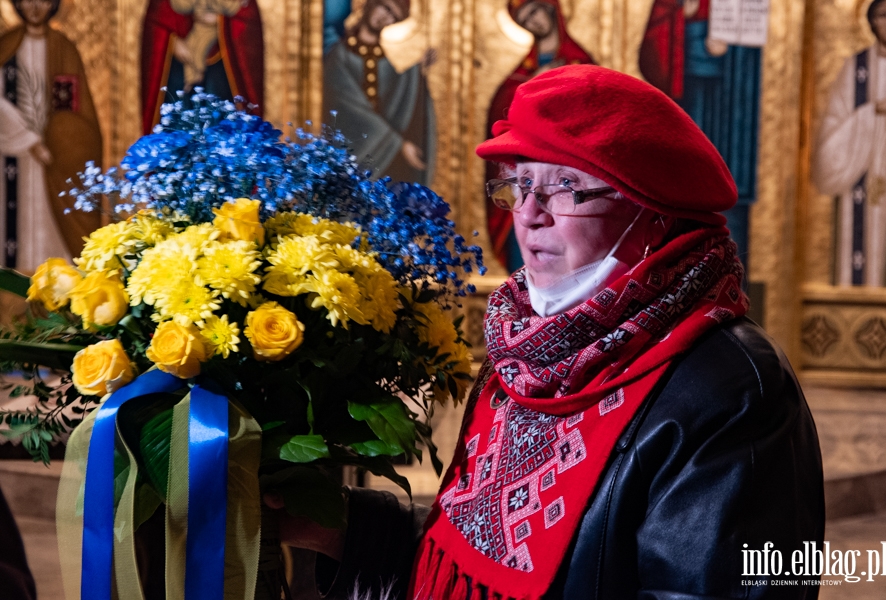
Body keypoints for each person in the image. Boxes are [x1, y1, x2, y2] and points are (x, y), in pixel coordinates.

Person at [281, 65, 825, 598]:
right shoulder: (524, 347)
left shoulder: (735, 390)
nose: (528, 215)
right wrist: (340, 529)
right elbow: (478, 556)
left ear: (652, 211)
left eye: (565, 185)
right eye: (520, 185)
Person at [639, 0, 762, 275]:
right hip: (690, 99)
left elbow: (756, 31)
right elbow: (652, 53)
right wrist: (685, 18)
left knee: (730, 198)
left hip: (733, 104)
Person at [485, 0, 593, 272]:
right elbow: (501, 117)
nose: (532, 22)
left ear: (550, 9)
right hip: (530, 164)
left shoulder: (582, 63)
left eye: (534, 12)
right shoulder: (521, 72)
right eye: (525, 19)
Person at [0, 0, 102, 272]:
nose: (35, 8)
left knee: (48, 222)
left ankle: (56, 280)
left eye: (43, 0)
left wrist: (63, 140)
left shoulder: (63, 48)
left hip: (55, 157)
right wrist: (29, 139)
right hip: (10, 153)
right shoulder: (5, 46)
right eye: (27, 0)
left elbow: (74, 112)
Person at [814, 0, 886, 286]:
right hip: (863, 174)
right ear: (871, 21)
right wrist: (873, 111)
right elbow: (833, 126)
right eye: (883, 15)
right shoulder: (855, 68)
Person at [321, 0, 436, 186]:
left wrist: (417, 71)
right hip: (348, 153)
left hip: (384, 165)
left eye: (393, 16)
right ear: (369, 5)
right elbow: (349, 104)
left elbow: (400, 93)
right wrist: (398, 143)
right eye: (385, 8)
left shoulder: (385, 61)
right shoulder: (339, 55)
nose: (385, 17)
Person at [140, 0, 265, 134]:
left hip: (223, 67)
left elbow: (247, 17)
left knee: (219, 118)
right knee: (179, 119)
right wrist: (171, 41)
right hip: (178, 65)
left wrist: (220, 20)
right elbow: (157, 19)